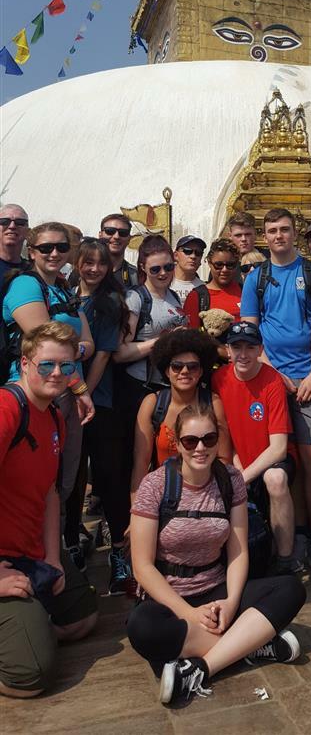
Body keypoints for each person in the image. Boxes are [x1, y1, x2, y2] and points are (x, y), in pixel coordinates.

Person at [127, 399, 306, 705]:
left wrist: (232, 601)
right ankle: (251, 644)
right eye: (190, 440)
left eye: (209, 439)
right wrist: (188, 613)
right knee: (142, 628)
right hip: (171, 599)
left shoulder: (230, 479)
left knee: (290, 589)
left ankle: (199, 668)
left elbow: (237, 551)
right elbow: (142, 567)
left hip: (217, 590)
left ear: (218, 438)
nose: (200, 448)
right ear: (177, 442)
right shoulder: (155, 485)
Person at [0, 322, 97, 698]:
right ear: (25, 364)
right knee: (29, 679)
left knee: (83, 618)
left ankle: (29, 629)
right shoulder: (9, 408)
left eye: (66, 366)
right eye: (46, 365)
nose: (57, 374)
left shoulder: (54, 414)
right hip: (4, 559)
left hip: (32, 551)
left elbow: (51, 494)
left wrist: (54, 558)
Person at [241, 208, 311, 580]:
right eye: (272, 231)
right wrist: (273, 373)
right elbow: (250, 335)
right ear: (264, 237)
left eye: (285, 229)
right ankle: (293, 536)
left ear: (294, 233)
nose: (279, 236)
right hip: (273, 382)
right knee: (285, 463)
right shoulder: (257, 278)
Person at [2, 222, 95, 501]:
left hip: (67, 392)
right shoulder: (25, 285)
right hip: (40, 392)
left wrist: (71, 353)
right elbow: (44, 345)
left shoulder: (64, 289)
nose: (54, 253)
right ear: (32, 252)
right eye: (46, 248)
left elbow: (89, 344)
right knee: (37, 478)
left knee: (62, 480)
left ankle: (54, 542)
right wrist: (79, 386)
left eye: (62, 247)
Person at [64, 239, 132, 593]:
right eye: (88, 262)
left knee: (109, 478)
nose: (94, 269)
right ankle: (71, 544)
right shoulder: (66, 295)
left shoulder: (108, 302)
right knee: (71, 479)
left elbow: (104, 354)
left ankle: (120, 553)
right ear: (78, 263)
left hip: (98, 401)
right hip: (66, 399)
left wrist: (83, 395)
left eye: (101, 264)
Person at [212, 321, 298, 573]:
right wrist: (238, 471)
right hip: (237, 460)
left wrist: (241, 479)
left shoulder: (272, 381)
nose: (243, 354)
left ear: (260, 350)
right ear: (227, 351)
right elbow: (224, 436)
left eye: (250, 347)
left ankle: (285, 560)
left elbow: (279, 448)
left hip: (272, 460)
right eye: (236, 347)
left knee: (275, 479)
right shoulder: (219, 379)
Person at [114, 236, 184, 522]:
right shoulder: (136, 298)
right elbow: (120, 351)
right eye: (155, 269)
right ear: (143, 268)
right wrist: (161, 342)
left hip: (169, 387)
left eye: (168, 267)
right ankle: (137, 518)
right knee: (140, 459)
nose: (163, 273)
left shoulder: (173, 297)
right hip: (141, 387)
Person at [131, 327, 231, 500]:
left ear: (201, 372)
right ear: (166, 371)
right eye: (177, 366)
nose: (184, 371)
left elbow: (224, 459)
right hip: (163, 494)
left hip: (206, 494)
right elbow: (141, 463)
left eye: (192, 367)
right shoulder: (153, 404)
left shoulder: (213, 403)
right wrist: (137, 509)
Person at [184, 239, 242, 326]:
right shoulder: (197, 296)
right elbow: (190, 335)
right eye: (218, 265)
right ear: (209, 263)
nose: (224, 270)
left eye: (230, 265)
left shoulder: (245, 291)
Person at [99, 213, 138, 289]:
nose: (116, 236)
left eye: (123, 233)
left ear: (129, 239)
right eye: (110, 231)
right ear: (100, 235)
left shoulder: (135, 276)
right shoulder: (85, 271)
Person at [172, 235, 207, 304]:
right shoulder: (163, 284)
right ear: (176, 255)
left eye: (198, 253)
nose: (193, 256)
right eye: (187, 251)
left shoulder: (205, 289)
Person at [0, 204, 29, 287]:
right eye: (4, 221)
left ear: (27, 231)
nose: (12, 226)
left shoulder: (33, 271)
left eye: (20, 222)